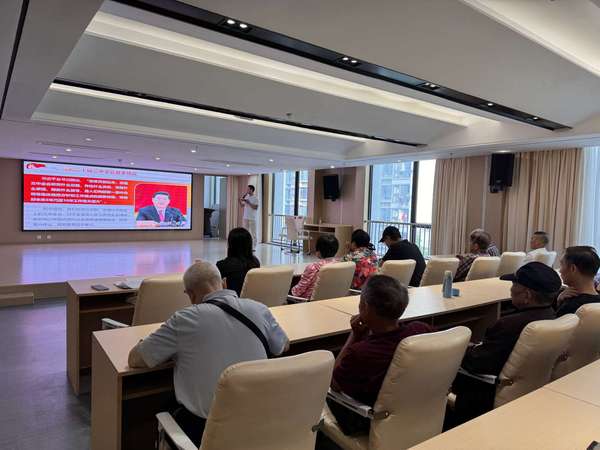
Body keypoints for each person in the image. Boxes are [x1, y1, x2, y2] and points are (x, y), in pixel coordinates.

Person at [127, 261, 289, 447]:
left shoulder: (184, 320)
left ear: (190, 294)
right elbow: (283, 346)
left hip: (205, 432)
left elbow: (137, 359)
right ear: (224, 283)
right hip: (259, 425)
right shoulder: (259, 309)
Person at [451, 262, 560, 423]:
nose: (511, 289)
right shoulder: (551, 315)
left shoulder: (509, 325)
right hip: (527, 391)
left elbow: (476, 363)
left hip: (483, 392)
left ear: (527, 295)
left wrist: (459, 348)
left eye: (514, 285)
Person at [328, 275, 433, 435]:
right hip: (419, 411)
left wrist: (354, 336)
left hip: (369, 421)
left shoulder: (361, 352)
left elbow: (333, 384)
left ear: (365, 307)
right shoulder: (422, 329)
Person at [555, 246, 600, 317]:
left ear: (573, 269)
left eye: (562, 265)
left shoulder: (570, 307)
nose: (560, 270)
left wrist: (558, 303)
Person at [291, 234, 339, 299]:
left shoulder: (313, 268)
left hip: (305, 301)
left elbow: (297, 292)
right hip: (329, 299)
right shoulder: (339, 265)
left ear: (318, 251)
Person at [216, 227, 261, 296]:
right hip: (251, 299)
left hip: (232, 300)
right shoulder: (255, 263)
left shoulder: (222, 265)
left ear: (230, 245)